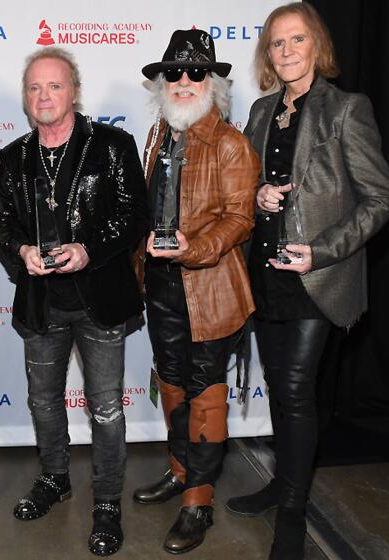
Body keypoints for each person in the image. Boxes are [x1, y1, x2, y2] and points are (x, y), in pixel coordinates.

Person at [224, 4, 389, 559]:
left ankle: (294, 509)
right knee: (280, 386)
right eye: (277, 43)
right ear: (268, 54)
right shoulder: (261, 110)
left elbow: (382, 198)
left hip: (316, 277)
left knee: (296, 389)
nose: (287, 50)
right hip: (266, 270)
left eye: (297, 39)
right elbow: (252, 178)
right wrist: (256, 196)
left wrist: (321, 251)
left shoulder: (346, 108)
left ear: (315, 45)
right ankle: (283, 482)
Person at [0, 47, 148, 557]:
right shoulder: (12, 157)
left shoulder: (112, 145)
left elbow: (133, 216)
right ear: (25, 97)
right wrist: (21, 251)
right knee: (42, 400)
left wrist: (89, 250)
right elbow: (2, 225)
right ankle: (54, 477)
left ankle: (106, 502)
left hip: (98, 298)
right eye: (35, 87)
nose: (44, 96)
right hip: (41, 302)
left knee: (105, 410)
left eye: (54, 86)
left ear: (74, 92)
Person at [132, 29, 260, 555]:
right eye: (174, 73)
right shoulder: (159, 134)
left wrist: (193, 246)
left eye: (196, 72)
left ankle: (198, 501)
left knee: (206, 391)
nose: (184, 81)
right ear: (163, 82)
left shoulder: (231, 143)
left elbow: (240, 220)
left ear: (212, 82)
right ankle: (181, 470)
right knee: (172, 383)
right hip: (161, 286)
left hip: (209, 290)